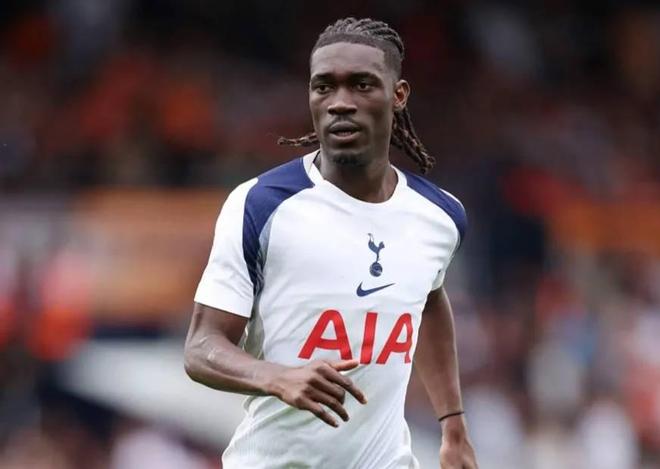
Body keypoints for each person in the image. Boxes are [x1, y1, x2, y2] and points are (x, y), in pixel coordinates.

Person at [184, 17, 478, 469]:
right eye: (324, 87)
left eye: (361, 85)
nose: (340, 103)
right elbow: (201, 347)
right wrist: (277, 377)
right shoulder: (261, 205)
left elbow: (430, 297)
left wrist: (453, 425)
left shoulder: (439, 217)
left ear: (398, 95)